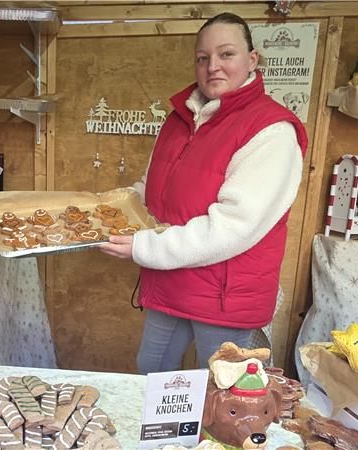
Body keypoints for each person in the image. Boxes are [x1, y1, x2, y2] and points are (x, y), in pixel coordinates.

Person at [99, 12, 308, 373]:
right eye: (203, 57)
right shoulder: (180, 120)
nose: (213, 66)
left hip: (225, 295)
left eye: (226, 54)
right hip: (172, 283)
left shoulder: (271, 131)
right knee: (152, 373)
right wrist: (106, 211)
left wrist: (143, 247)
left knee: (222, 395)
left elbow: (233, 227)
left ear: (252, 60)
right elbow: (151, 189)